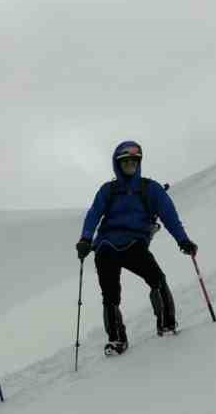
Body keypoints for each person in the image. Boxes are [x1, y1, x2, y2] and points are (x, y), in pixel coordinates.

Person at [76, 140, 197, 354]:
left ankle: (164, 325)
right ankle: (118, 339)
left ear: (139, 163)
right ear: (118, 164)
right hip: (107, 247)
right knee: (113, 294)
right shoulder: (108, 190)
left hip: (130, 245)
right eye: (126, 162)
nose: (130, 165)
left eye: (134, 161)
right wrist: (85, 239)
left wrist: (183, 240)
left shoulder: (151, 189)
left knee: (156, 280)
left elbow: (169, 216)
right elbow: (94, 214)